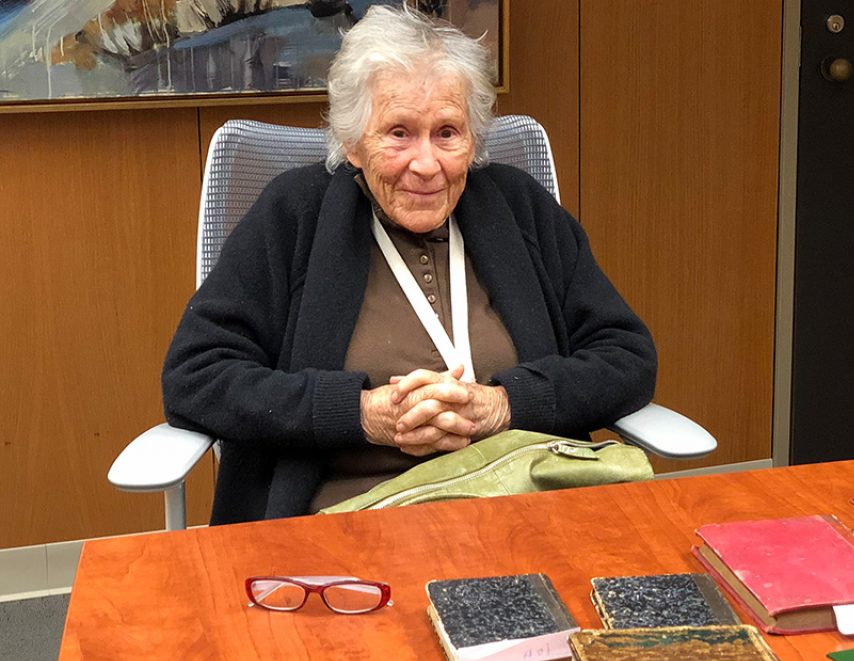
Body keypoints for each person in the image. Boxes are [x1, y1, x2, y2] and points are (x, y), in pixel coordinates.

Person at [161, 4, 656, 524]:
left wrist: (505, 405)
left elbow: (626, 357)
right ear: (353, 142)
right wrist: (360, 415)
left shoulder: (519, 208)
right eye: (399, 133)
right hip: (348, 521)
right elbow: (197, 377)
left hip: (521, 506)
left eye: (447, 132)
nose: (426, 164)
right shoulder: (293, 214)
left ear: (473, 140)